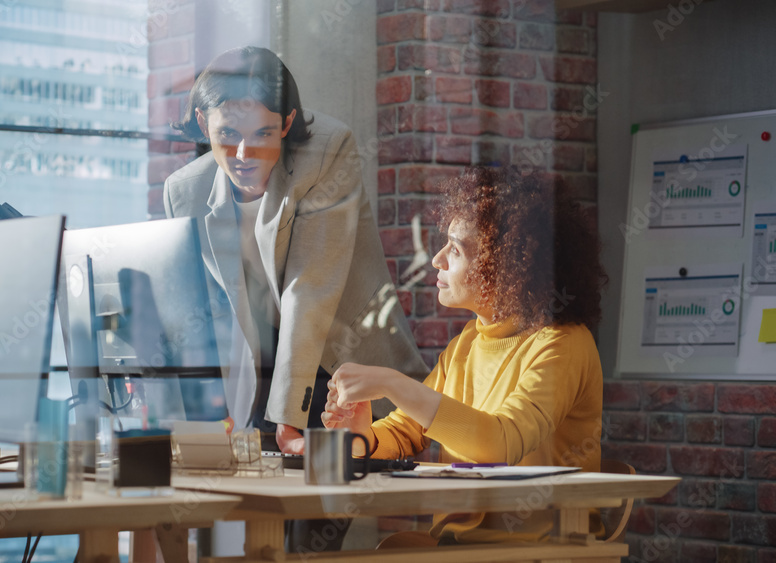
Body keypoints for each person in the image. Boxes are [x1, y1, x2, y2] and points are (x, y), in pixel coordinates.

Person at [164, 46, 429, 455]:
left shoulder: (326, 152)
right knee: (258, 504)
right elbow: (195, 310)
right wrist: (203, 408)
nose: (243, 155)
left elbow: (309, 291)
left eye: (262, 134)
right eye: (228, 134)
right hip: (260, 373)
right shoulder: (184, 191)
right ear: (203, 123)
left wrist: (286, 420)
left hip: (340, 366)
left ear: (287, 122)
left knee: (319, 507)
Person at [323, 166, 609, 545]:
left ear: (507, 266)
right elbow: (408, 430)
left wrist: (393, 383)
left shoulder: (562, 344)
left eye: (455, 249)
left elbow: (502, 445)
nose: (437, 260)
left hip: (538, 548)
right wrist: (363, 435)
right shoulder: (469, 341)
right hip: (460, 545)